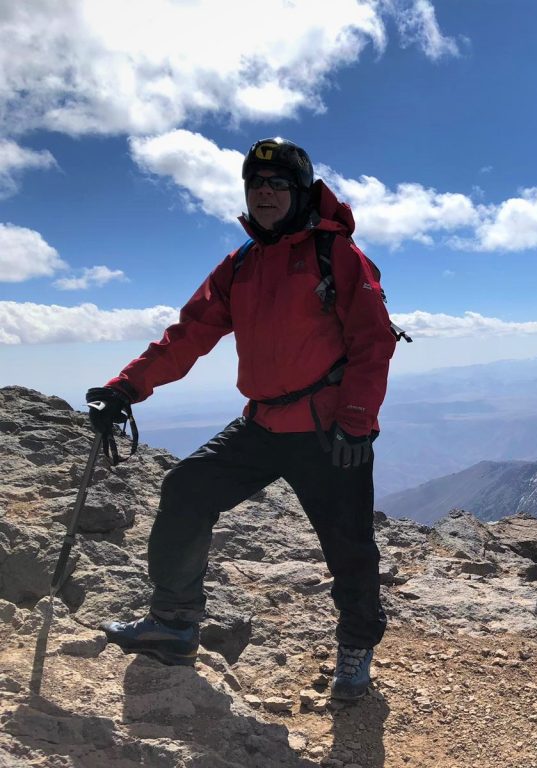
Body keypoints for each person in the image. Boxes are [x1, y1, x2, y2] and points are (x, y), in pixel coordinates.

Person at [86, 137, 397, 700]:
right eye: (256, 183)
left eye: (278, 183)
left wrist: (356, 419)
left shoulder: (339, 256)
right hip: (262, 424)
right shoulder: (241, 266)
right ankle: (175, 623)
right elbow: (188, 336)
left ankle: (356, 645)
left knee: (348, 544)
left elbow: (373, 342)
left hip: (329, 431)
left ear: (301, 192)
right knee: (186, 489)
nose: (265, 192)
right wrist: (127, 386)